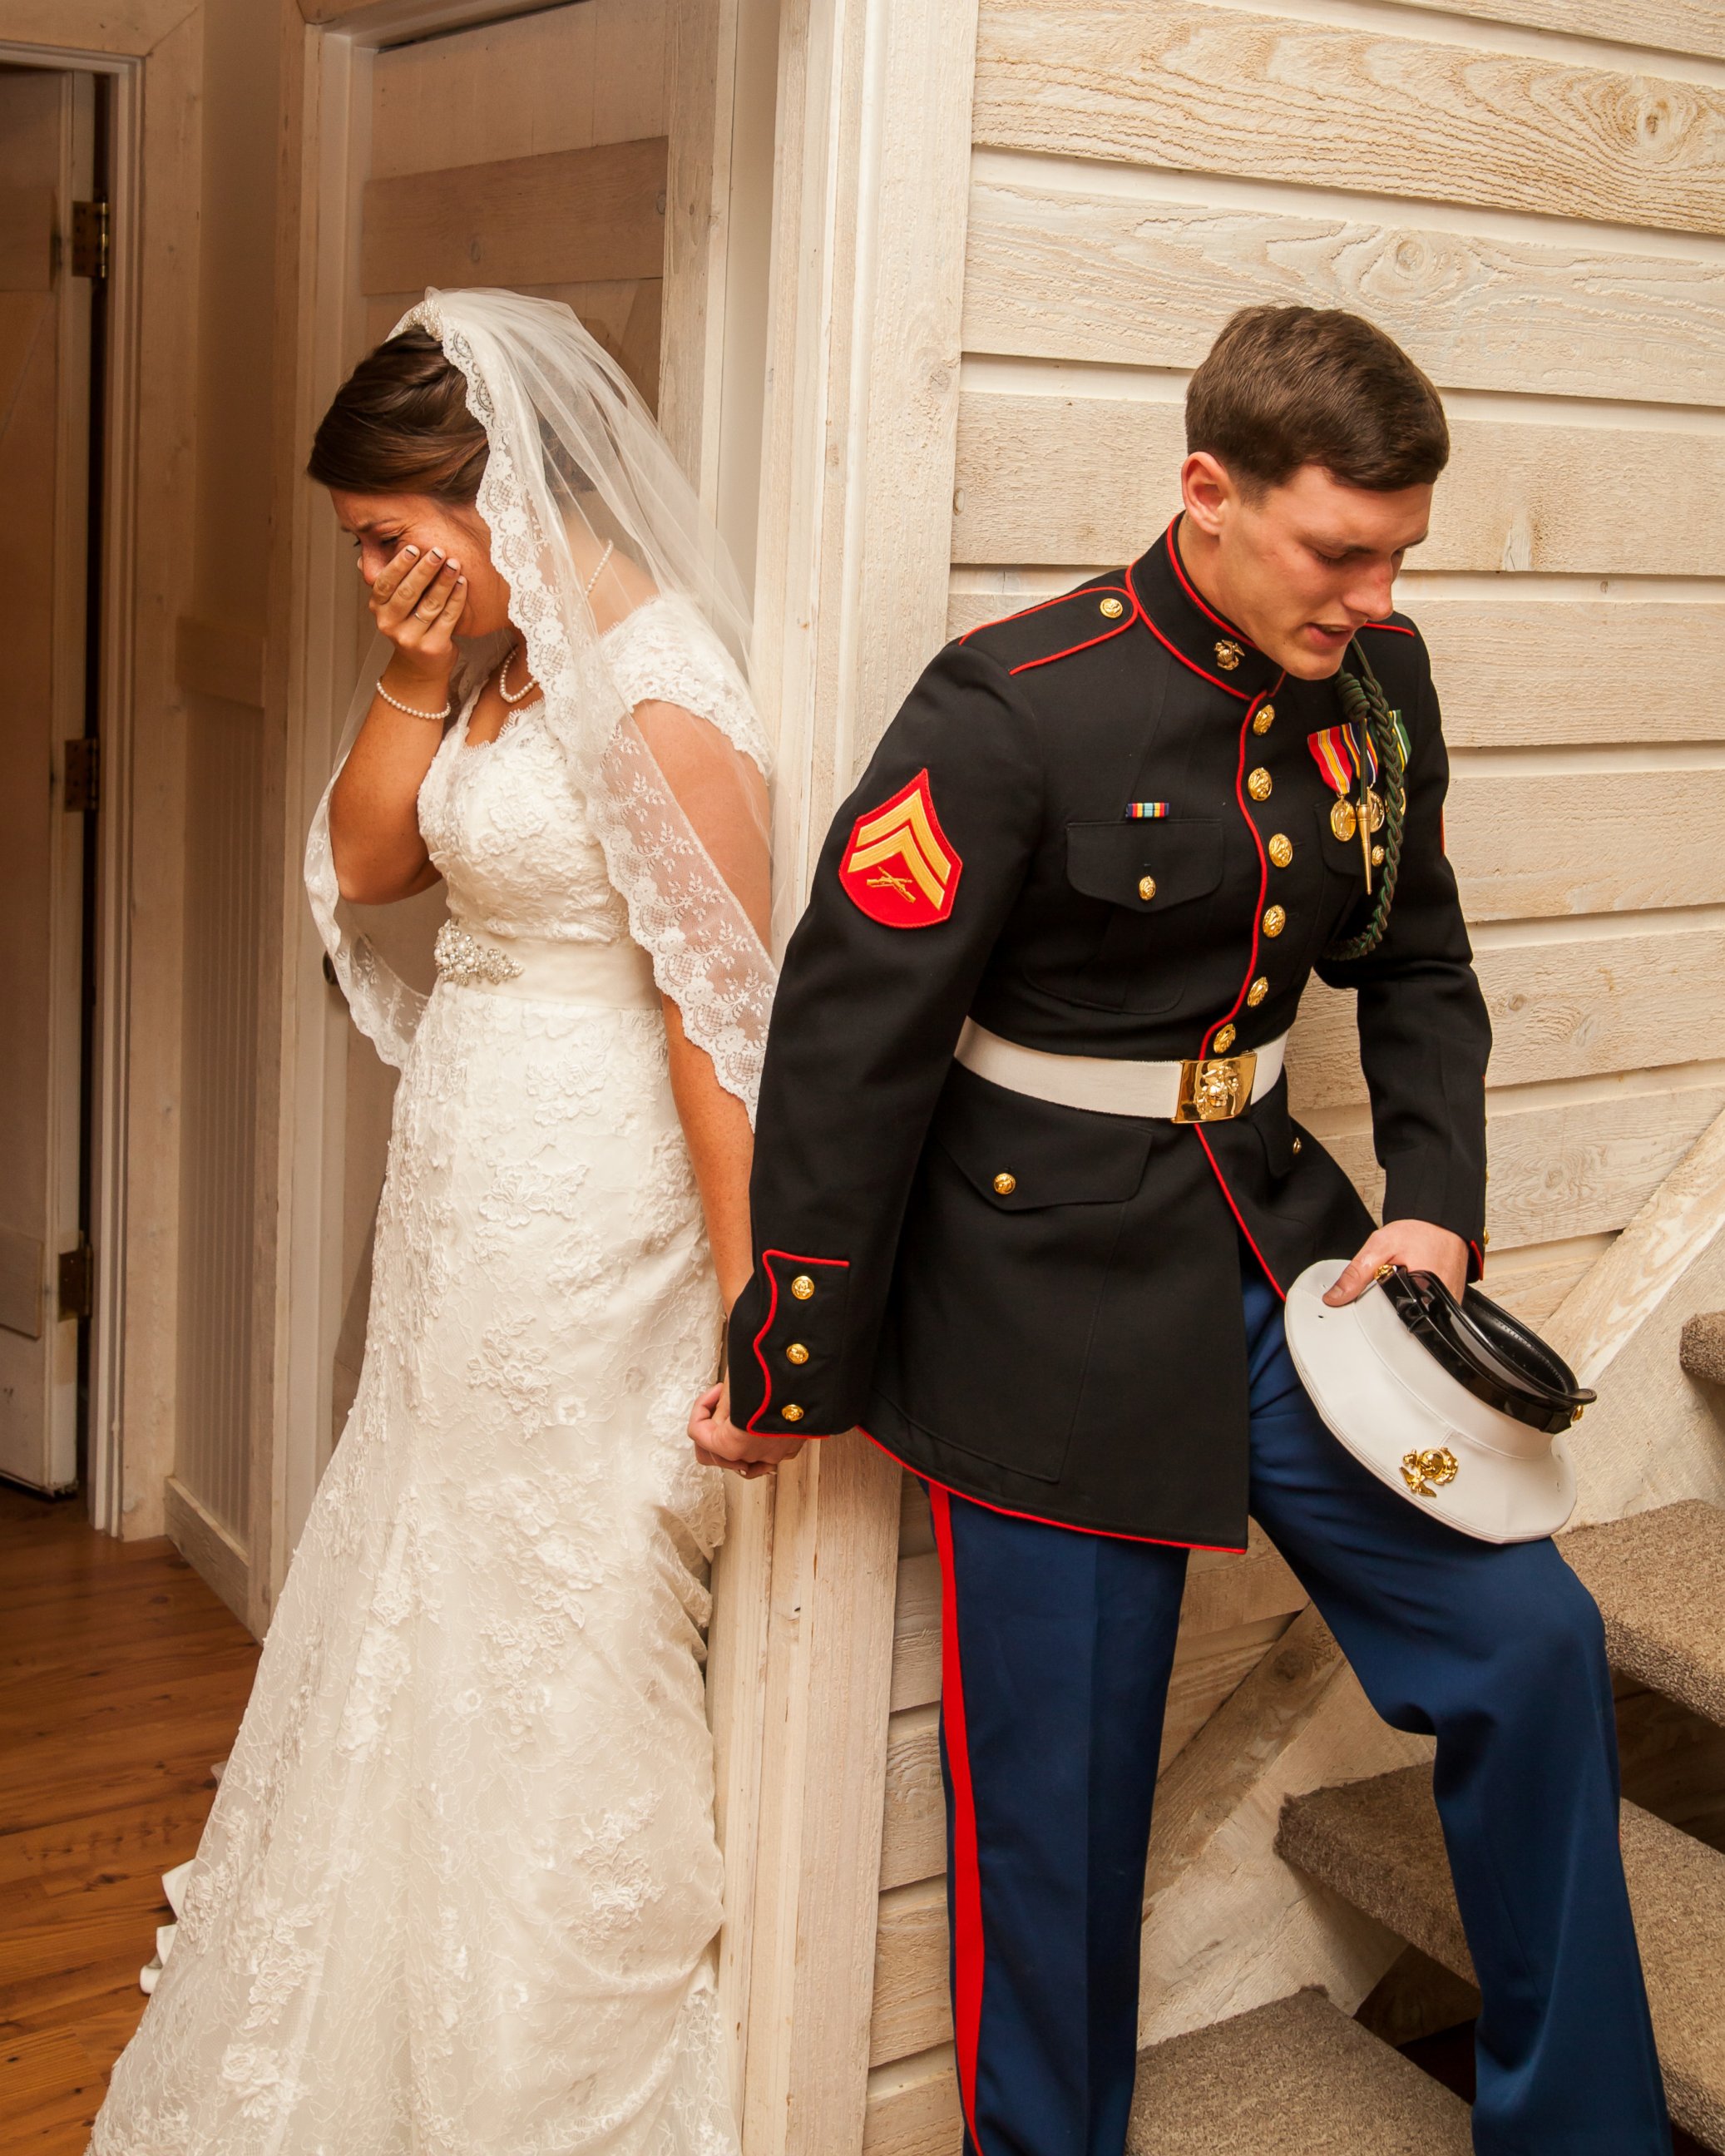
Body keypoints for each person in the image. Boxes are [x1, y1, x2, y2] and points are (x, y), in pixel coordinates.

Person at [692, 306, 1668, 2154]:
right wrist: (787, 1358)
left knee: (1526, 1646)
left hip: (1281, 1262)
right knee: (1055, 1820)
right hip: (1030, 1294)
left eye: (1398, 555)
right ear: (1204, 490)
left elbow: (1417, 965)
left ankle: (1580, 2136)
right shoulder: (1006, 703)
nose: (1372, 597)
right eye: (1338, 550)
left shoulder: (1377, 687)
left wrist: (1434, 1217)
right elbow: (847, 1046)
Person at [91, 289, 771, 2156]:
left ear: (495, 491)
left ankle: (534, 2061)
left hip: (596, 1208)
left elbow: (720, 1027)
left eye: (390, 537)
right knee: (423, 1553)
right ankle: (372, 1984)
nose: (376, 571)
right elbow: (377, 861)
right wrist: (408, 666)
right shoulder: (494, 660)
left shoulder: (659, 690)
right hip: (463, 1182)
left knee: (562, 1589)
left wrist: (754, 1304)